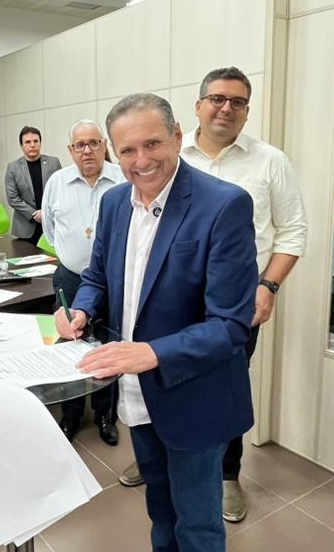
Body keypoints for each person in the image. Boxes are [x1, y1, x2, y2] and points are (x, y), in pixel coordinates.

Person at [55, 93, 258, 552]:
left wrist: (151, 353)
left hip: (193, 394)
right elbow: (97, 276)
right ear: (113, 151)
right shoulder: (113, 203)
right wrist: (80, 309)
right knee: (161, 513)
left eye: (152, 144)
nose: (141, 161)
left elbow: (230, 325)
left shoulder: (223, 205)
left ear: (177, 137)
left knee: (198, 526)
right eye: (127, 150)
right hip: (136, 393)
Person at [118, 67, 308, 524]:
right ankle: (160, 452)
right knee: (154, 374)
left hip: (233, 304)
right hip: (163, 302)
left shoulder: (269, 161)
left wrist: (268, 285)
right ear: (198, 105)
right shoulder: (163, 153)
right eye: (218, 99)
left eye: (237, 102)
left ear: (247, 111)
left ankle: (225, 474)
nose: (226, 108)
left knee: (219, 387)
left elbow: (293, 231)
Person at [41, 119, 126, 445]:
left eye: (94, 143)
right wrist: (72, 254)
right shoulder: (57, 182)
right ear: (70, 150)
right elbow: (50, 230)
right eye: (80, 145)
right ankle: (71, 414)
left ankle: (105, 414)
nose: (87, 150)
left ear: (104, 145)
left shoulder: (122, 178)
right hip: (70, 277)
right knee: (70, 345)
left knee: (107, 345)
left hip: (113, 280)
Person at [4, 126, 61, 244]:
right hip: (25, 227)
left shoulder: (53, 163)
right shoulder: (13, 168)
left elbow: (60, 191)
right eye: (27, 142)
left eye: (36, 141)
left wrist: (45, 212)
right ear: (21, 145)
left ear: (40, 143)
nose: (32, 145)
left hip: (51, 223)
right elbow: (13, 198)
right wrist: (35, 214)